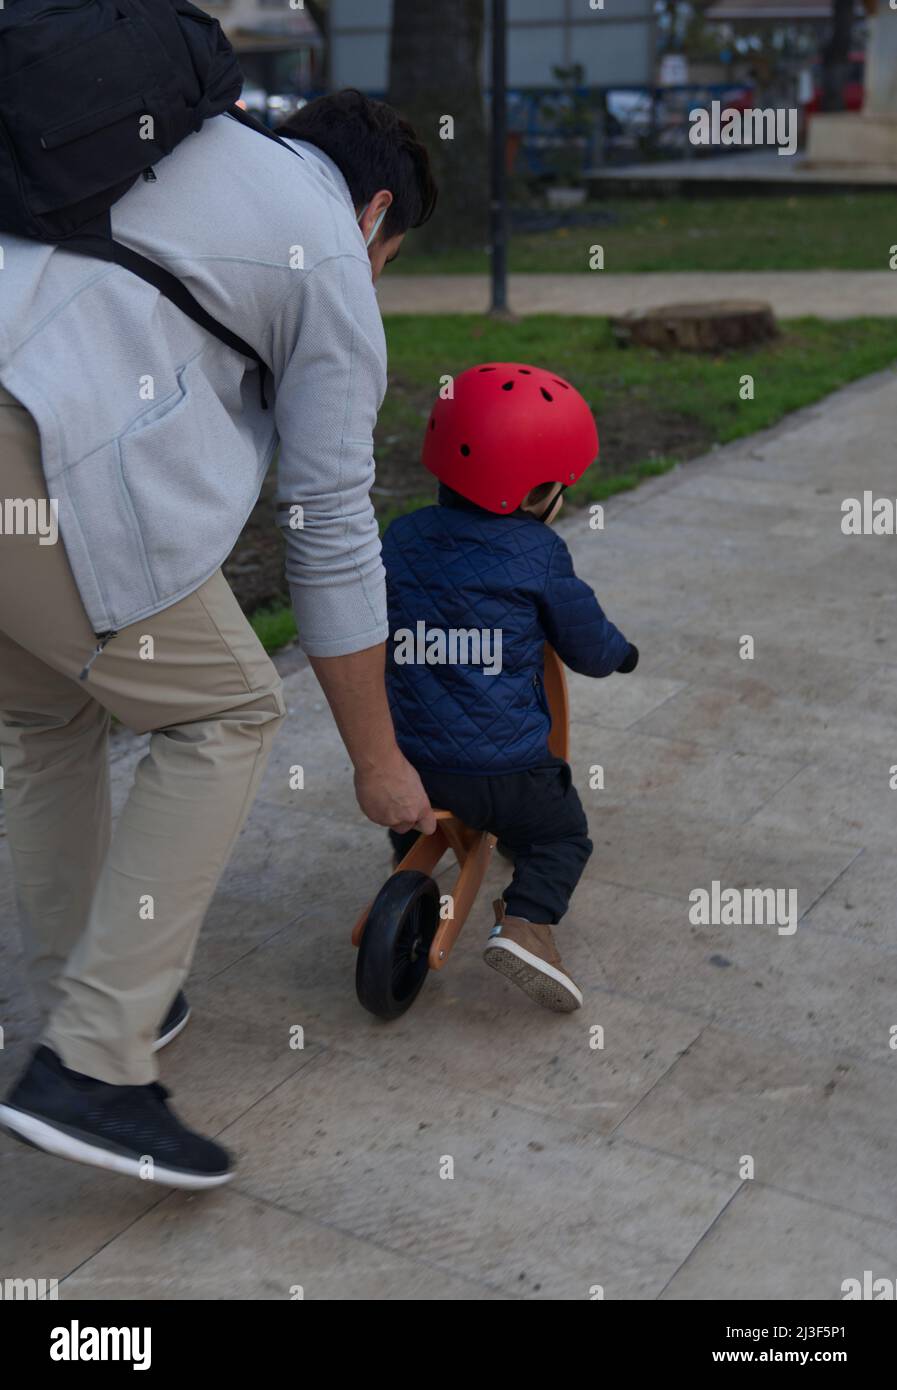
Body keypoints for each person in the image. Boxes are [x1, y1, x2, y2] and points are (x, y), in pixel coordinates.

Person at [0, 90, 437, 1189]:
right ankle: (93, 1063)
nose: (376, 272)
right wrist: (381, 767)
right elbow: (331, 525)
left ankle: (80, 992)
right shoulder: (329, 252)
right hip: (35, 456)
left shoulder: (173, 137)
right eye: (390, 252)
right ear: (375, 208)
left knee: (48, 717)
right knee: (229, 709)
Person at [383, 363, 639, 1013]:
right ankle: (526, 922)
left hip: (406, 761)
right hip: (507, 771)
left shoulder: (401, 538)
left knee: (424, 802)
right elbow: (584, 644)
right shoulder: (538, 553)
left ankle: (408, 857)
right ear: (536, 492)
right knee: (561, 836)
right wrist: (621, 655)